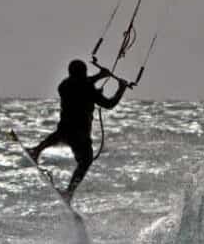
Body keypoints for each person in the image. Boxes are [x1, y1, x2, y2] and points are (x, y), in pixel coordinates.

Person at [29, 58, 129, 202]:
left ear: (70, 73)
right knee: (86, 160)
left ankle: (36, 150)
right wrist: (121, 89)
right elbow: (109, 104)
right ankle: (69, 193)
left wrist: (99, 76)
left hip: (65, 129)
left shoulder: (64, 85)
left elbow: (81, 83)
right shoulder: (88, 88)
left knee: (58, 135)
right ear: (84, 73)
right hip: (80, 135)